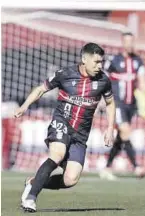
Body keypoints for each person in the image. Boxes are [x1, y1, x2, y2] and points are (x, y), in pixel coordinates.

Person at [14, 43, 116, 212]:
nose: (100, 66)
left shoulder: (103, 81)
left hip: (81, 135)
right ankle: (31, 199)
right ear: (84, 59)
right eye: (96, 62)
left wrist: (110, 127)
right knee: (58, 154)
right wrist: (25, 106)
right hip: (61, 124)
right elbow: (41, 89)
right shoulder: (65, 74)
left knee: (70, 179)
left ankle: (33, 183)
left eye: (101, 62)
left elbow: (111, 103)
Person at [100, 32, 145, 180]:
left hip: (130, 104)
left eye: (132, 42)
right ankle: (136, 166)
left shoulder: (138, 61)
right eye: (127, 41)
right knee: (126, 131)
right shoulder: (114, 60)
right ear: (122, 43)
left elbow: (142, 79)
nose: (129, 44)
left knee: (120, 138)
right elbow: (101, 76)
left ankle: (107, 167)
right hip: (116, 103)